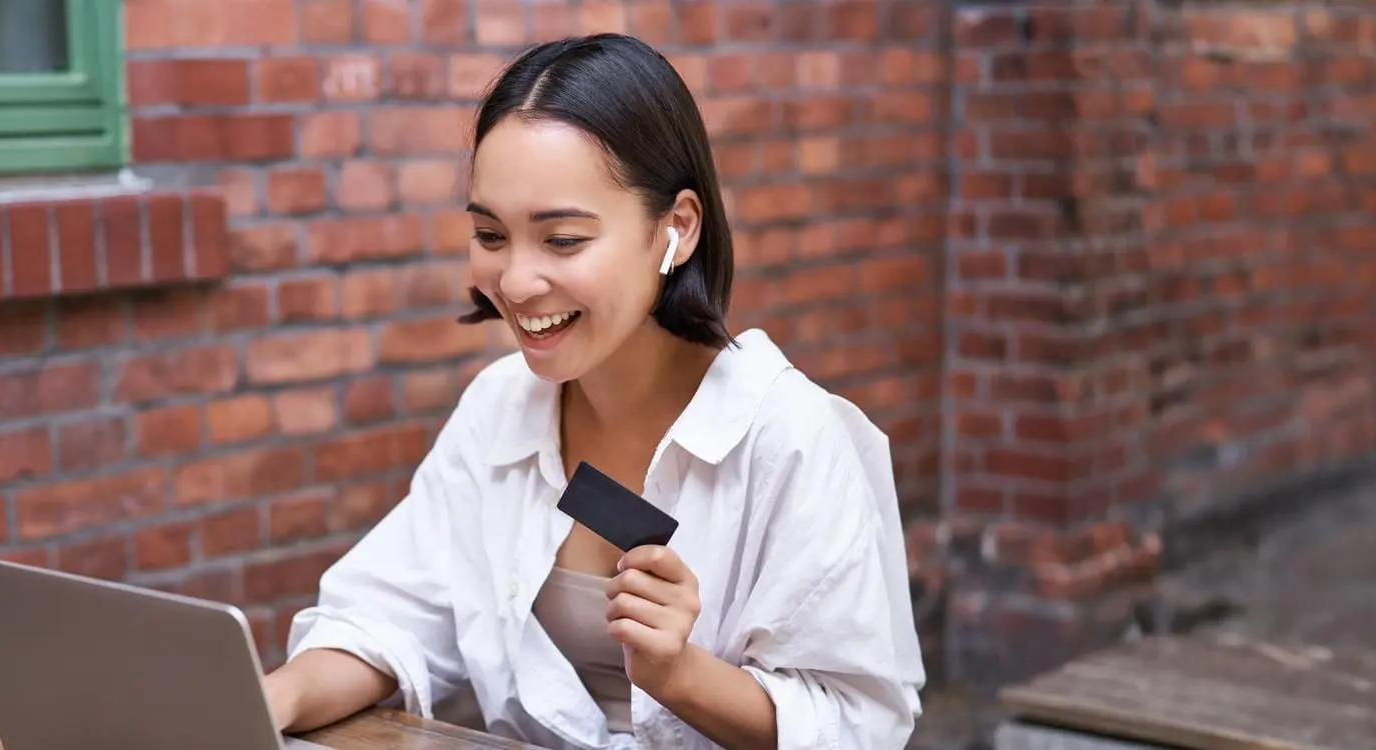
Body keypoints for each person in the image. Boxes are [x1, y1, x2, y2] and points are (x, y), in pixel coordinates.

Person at [259, 33, 925, 750]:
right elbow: (393, 615)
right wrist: (263, 701)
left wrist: (678, 674)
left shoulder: (791, 437)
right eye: (490, 234)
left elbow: (858, 724)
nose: (515, 282)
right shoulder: (499, 408)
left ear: (676, 228)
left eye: (563, 240)